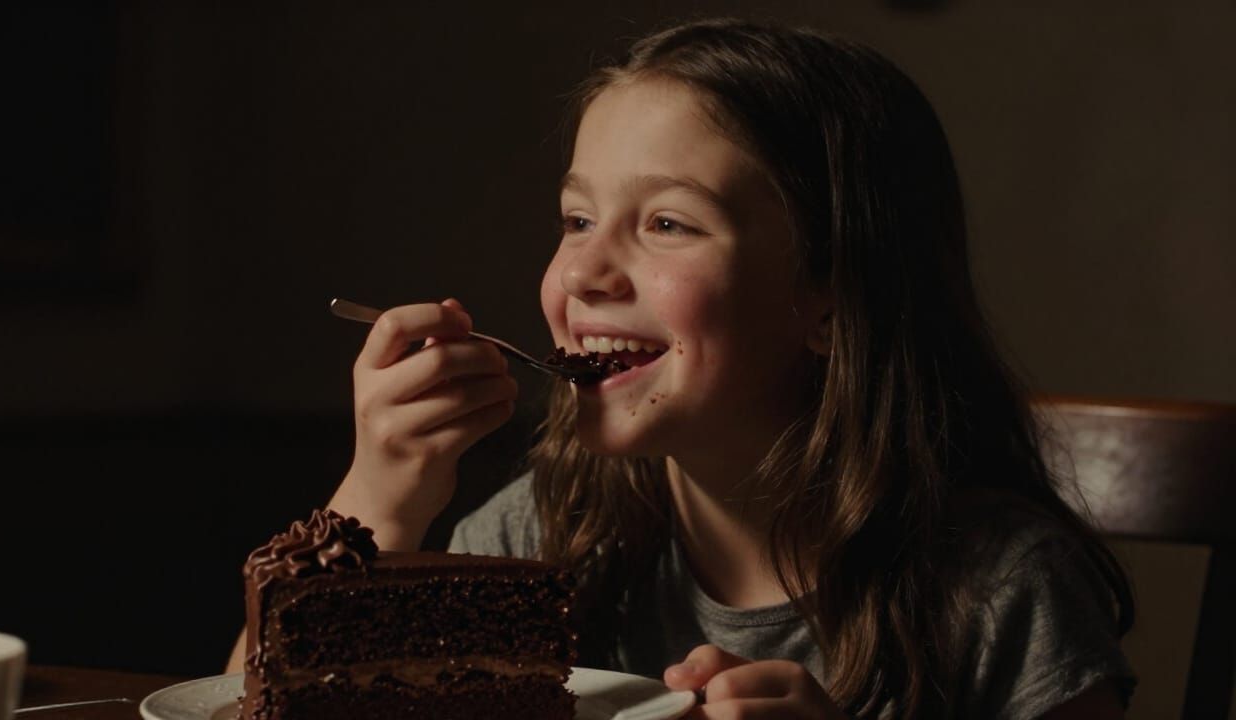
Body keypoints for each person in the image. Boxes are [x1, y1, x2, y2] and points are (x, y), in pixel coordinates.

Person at [228, 18, 1136, 719]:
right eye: (577, 219)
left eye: (667, 223)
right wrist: (379, 499)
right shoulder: (539, 536)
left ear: (828, 300)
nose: (582, 273)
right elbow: (259, 705)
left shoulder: (1003, 591)